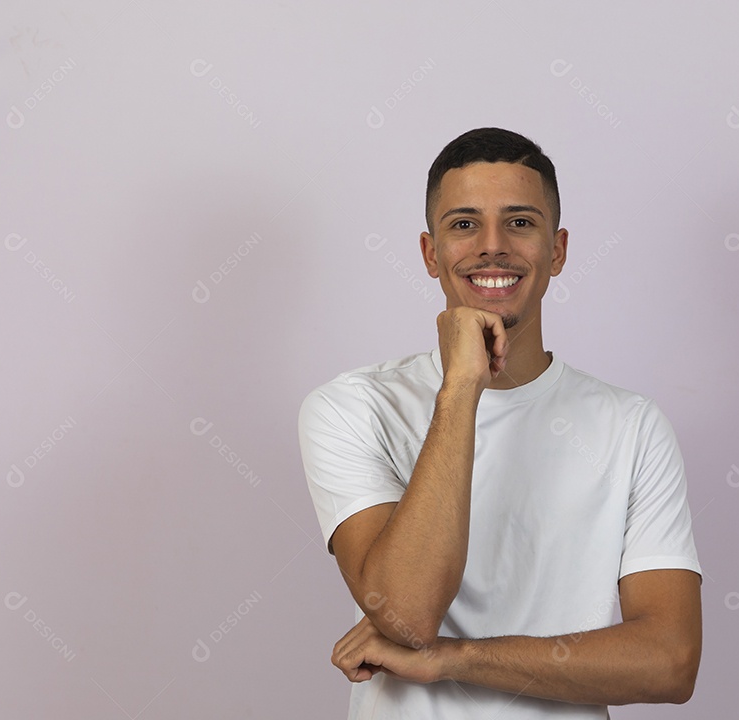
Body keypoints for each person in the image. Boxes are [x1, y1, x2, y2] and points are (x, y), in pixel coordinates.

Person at [298, 127, 702, 719]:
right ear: (430, 252)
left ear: (557, 249)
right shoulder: (351, 407)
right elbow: (407, 615)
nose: (492, 246)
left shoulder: (632, 425)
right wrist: (461, 388)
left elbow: (670, 661)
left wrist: (455, 659)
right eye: (464, 224)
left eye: (519, 222)